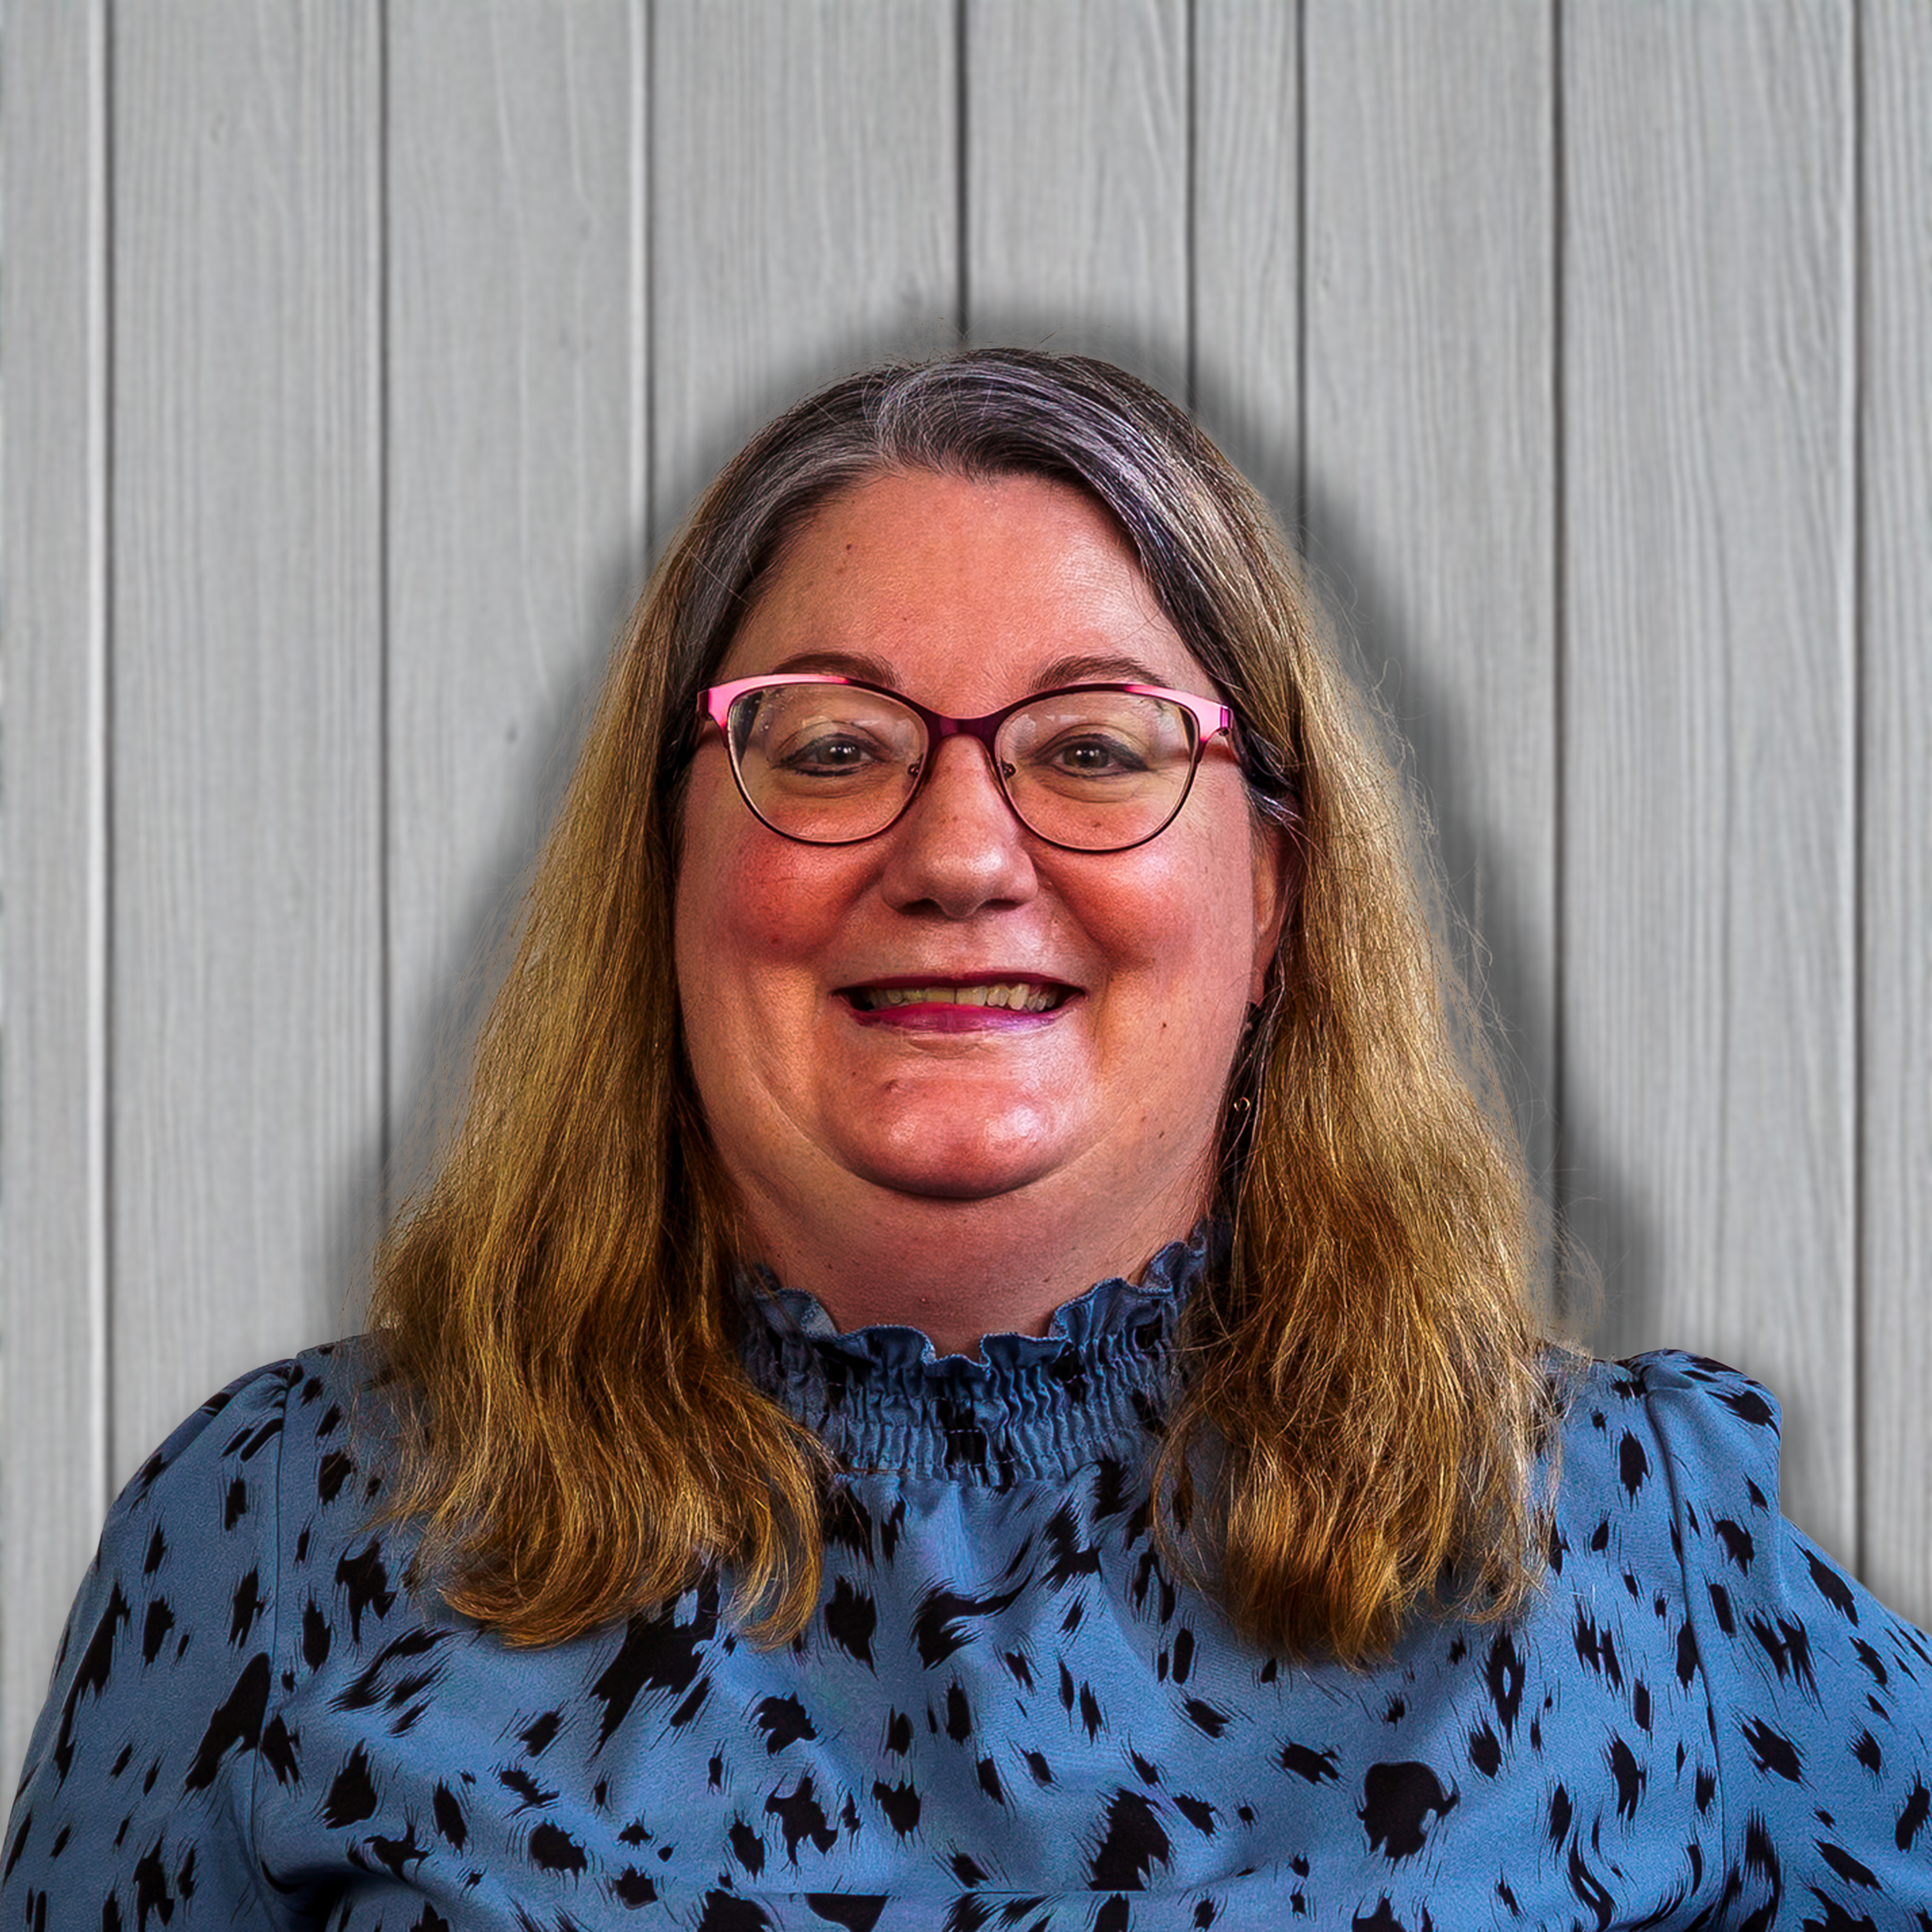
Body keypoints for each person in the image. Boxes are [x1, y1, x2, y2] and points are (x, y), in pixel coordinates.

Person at [5, 350, 1928, 1930]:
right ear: (661, 871)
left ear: (1271, 886)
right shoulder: (286, 1530)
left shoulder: (1628, 1541)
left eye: (1094, 745)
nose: (955, 852)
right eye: (829, 745)